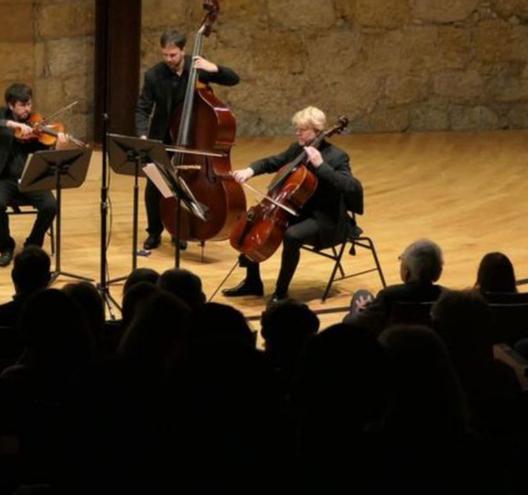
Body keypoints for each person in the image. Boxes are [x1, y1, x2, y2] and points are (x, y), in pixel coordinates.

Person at [223, 106, 361, 302]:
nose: (297, 133)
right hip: (296, 211)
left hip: (325, 219)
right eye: (296, 128)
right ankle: (252, 282)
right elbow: (273, 162)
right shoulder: (297, 149)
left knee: (292, 235)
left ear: (317, 131)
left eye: (302, 129)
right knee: (252, 222)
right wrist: (249, 171)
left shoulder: (337, 157)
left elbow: (349, 186)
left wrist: (321, 166)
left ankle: (281, 292)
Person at [135, 29, 240, 251]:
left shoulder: (198, 68)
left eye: (172, 55)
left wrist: (215, 69)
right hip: (164, 136)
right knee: (156, 184)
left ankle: (179, 230)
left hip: (193, 139)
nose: (168, 59)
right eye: (165, 54)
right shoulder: (154, 75)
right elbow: (142, 108)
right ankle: (154, 231)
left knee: (187, 184)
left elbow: (233, 79)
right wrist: (144, 136)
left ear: (183, 50)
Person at [0, 83, 67, 267]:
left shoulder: (37, 124)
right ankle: (6, 246)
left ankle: (32, 244)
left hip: (31, 179)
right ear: (11, 105)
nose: (27, 109)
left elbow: (50, 159)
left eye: (29, 104)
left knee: (51, 206)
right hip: (4, 179)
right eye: (22, 105)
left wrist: (58, 147)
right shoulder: (2, 116)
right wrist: (12, 124)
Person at [344, 239, 447, 333]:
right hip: (433, 350)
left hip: (390, 349)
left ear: (407, 272)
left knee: (361, 295)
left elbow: (352, 326)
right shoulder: (447, 297)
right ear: (438, 272)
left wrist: (360, 312)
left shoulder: (388, 295)